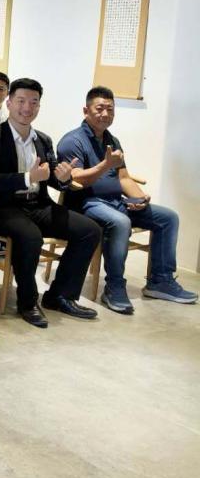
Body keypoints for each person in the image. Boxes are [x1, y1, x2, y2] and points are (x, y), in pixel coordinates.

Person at [58, 86, 197, 312]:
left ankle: (160, 280)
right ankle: (114, 286)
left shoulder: (112, 140)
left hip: (116, 202)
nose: (105, 114)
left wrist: (139, 197)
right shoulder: (72, 141)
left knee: (168, 217)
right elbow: (76, 179)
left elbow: (123, 177)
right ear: (86, 110)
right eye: (99, 108)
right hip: (86, 203)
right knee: (120, 222)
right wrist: (106, 165)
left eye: (110, 109)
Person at [0, 78, 101, 328]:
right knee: (30, 236)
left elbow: (51, 177)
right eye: (21, 101)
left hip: (37, 205)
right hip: (0, 207)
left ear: (39, 107)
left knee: (90, 230)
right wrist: (28, 177)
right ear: (9, 103)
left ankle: (60, 296)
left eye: (33, 102)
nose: (27, 108)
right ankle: (28, 302)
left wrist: (63, 179)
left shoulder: (42, 139)